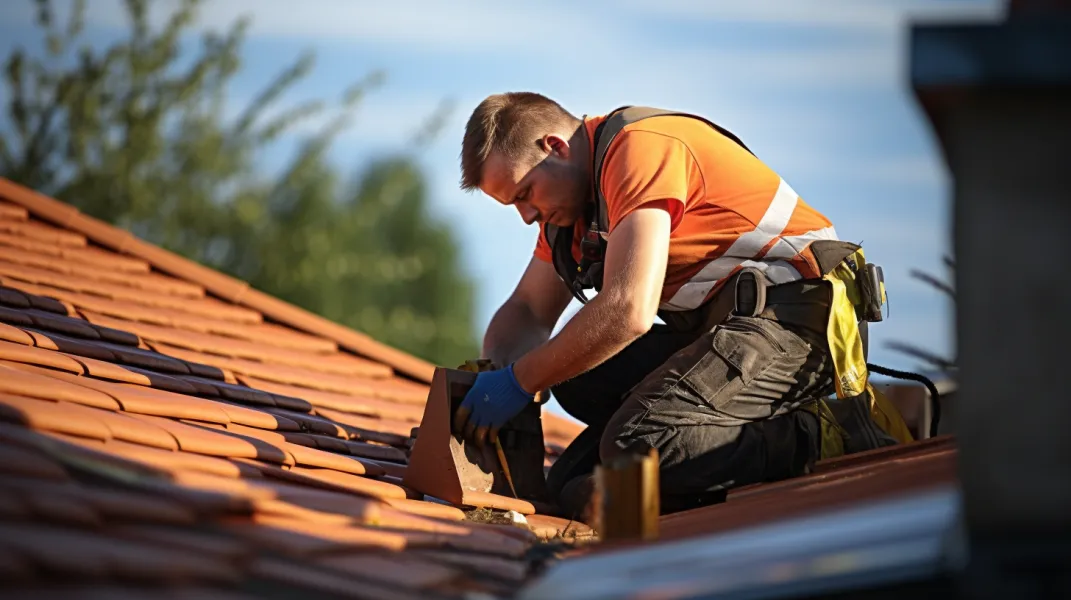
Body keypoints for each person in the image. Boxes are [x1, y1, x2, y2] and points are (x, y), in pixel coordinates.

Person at [453, 92, 893, 518]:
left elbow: (628, 310)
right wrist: (491, 375)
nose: (526, 215)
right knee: (570, 469)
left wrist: (521, 381)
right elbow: (529, 310)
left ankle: (821, 434)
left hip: (797, 319)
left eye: (525, 193)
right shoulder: (574, 215)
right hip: (728, 331)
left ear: (556, 148)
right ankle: (682, 467)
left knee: (635, 446)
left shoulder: (638, 149)